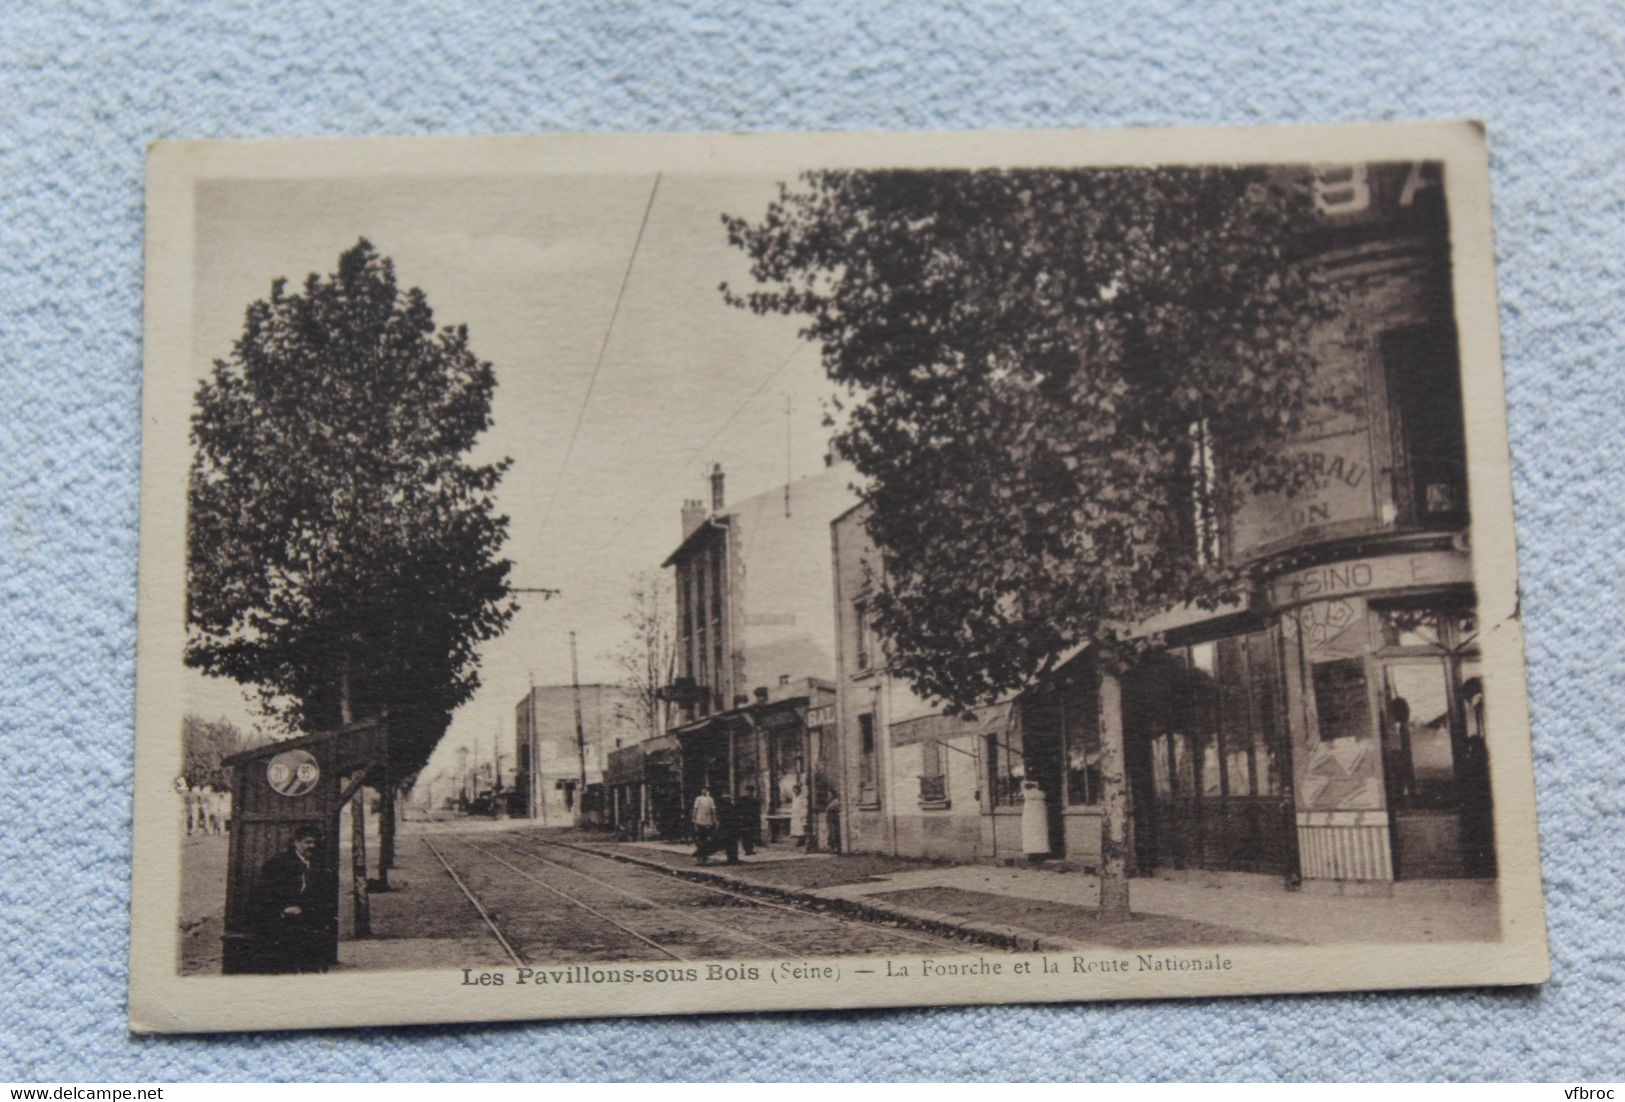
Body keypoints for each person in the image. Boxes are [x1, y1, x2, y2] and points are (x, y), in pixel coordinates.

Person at [254, 823, 329, 972]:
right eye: (307, 842)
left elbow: (318, 894)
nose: (311, 846)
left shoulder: (316, 865)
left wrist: (305, 909)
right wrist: (284, 908)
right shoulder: (279, 863)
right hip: (279, 916)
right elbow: (266, 893)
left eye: (314, 843)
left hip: (304, 916)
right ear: (296, 842)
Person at [1020, 779, 1049, 860]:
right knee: (1039, 834)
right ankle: (1040, 853)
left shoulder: (1027, 796)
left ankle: (1033, 853)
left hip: (1031, 818)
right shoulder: (1040, 796)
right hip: (1038, 817)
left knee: (1031, 834)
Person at [691, 787, 718, 864]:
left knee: (707, 839)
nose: (704, 791)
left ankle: (704, 856)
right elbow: (695, 809)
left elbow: (713, 810)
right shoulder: (698, 798)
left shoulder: (710, 799)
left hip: (708, 821)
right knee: (700, 838)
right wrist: (694, 819)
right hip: (699, 820)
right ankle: (700, 856)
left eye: (706, 790)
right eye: (703, 789)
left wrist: (715, 820)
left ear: (708, 791)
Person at [734, 784, 761, 856]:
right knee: (745, 835)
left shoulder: (755, 800)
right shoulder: (741, 799)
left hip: (752, 820)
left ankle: (751, 849)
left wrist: (756, 818)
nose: (749, 793)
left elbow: (757, 810)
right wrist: (740, 817)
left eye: (751, 791)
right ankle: (746, 850)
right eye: (748, 791)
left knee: (751, 835)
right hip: (744, 820)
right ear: (746, 791)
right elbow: (737, 809)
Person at [788, 782, 809, 849]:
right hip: (795, 815)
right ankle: (800, 839)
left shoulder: (802, 798)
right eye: (794, 790)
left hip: (800, 815)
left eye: (796, 790)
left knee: (801, 828)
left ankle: (802, 840)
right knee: (797, 828)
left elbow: (804, 807)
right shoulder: (795, 798)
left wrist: (803, 815)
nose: (795, 791)